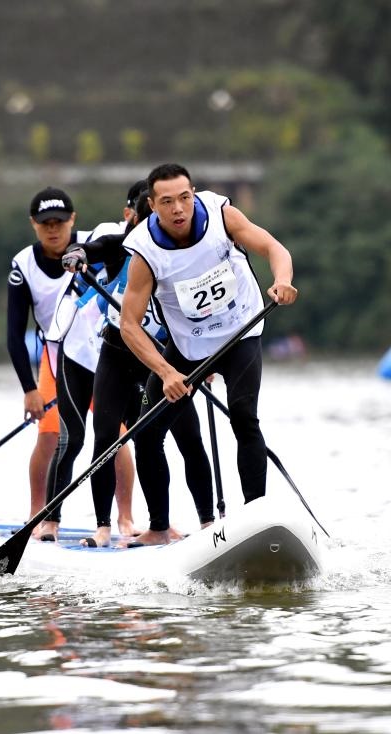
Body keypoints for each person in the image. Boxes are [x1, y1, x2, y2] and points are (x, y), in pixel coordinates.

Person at [119, 163, 297, 546]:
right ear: (153, 205)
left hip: (241, 331)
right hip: (188, 348)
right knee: (147, 433)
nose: (179, 209)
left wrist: (282, 280)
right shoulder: (144, 251)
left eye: (185, 198)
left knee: (244, 417)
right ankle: (159, 528)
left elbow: (274, 248)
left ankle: (255, 518)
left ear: (194, 193)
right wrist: (166, 372)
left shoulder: (220, 215)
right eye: (168, 202)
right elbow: (129, 325)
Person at [62, 186, 215, 548]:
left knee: (189, 437)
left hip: (162, 359)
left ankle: (209, 523)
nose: (142, 224)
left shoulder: (178, 254)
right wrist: (76, 254)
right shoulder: (121, 246)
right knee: (105, 438)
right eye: (138, 216)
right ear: (131, 214)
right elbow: (89, 248)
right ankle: (103, 527)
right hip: (117, 353)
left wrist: (207, 356)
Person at [7, 186, 134, 540]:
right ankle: (38, 515)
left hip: (104, 352)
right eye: (45, 223)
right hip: (57, 358)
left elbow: (129, 237)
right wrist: (29, 390)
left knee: (116, 436)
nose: (53, 229)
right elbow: (14, 335)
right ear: (33, 224)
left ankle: (125, 519)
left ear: (72, 220)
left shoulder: (94, 243)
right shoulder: (23, 266)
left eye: (60, 222)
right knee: (53, 436)